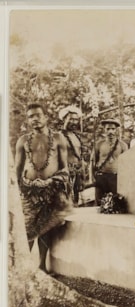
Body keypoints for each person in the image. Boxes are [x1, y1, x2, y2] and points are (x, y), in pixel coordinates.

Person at [15, 102, 73, 273]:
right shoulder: (23, 140)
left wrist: (51, 182)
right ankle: (22, 268)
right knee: (27, 229)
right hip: (29, 191)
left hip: (51, 190)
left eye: (38, 115)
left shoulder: (58, 138)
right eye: (31, 116)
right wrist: (19, 190)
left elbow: (64, 168)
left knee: (46, 227)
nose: (35, 119)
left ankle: (41, 266)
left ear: (45, 117)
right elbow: (18, 169)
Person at [93, 118, 128, 205]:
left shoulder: (123, 145)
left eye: (113, 129)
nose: (110, 131)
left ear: (116, 130)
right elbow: (93, 162)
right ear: (104, 130)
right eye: (108, 129)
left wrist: (125, 179)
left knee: (115, 203)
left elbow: (127, 164)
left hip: (116, 178)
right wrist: (92, 178)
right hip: (101, 176)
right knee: (99, 203)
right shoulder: (99, 144)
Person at [59, 106, 85, 206]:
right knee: (65, 201)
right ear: (65, 119)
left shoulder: (76, 136)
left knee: (76, 201)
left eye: (76, 119)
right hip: (65, 174)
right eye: (71, 119)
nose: (74, 122)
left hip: (77, 173)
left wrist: (82, 169)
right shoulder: (59, 136)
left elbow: (80, 155)